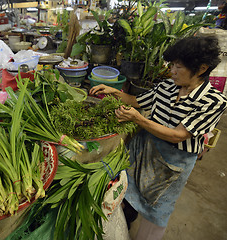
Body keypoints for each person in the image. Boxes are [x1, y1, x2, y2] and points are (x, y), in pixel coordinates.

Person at [89, 36, 227, 240]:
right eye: (171, 65)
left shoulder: (214, 101)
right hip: (145, 149)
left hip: (172, 163)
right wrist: (113, 91)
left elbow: (178, 135)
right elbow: (136, 101)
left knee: (156, 209)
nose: (172, 71)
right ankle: (124, 226)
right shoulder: (166, 87)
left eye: (178, 67)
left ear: (201, 69)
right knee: (129, 191)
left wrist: (138, 120)